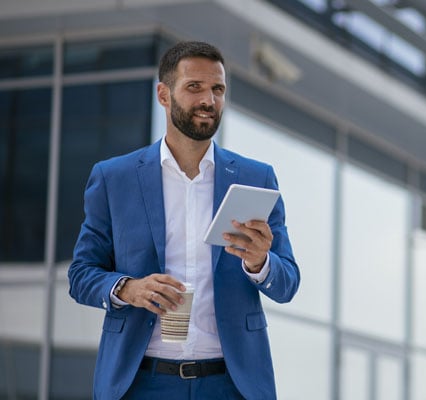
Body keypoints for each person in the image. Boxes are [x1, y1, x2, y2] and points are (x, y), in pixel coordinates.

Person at [68, 40, 300, 400]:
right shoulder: (115, 178)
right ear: (163, 94)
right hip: (140, 383)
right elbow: (81, 275)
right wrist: (128, 288)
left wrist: (260, 263)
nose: (208, 100)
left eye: (217, 89)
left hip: (231, 384)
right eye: (195, 87)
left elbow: (287, 284)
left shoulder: (256, 179)